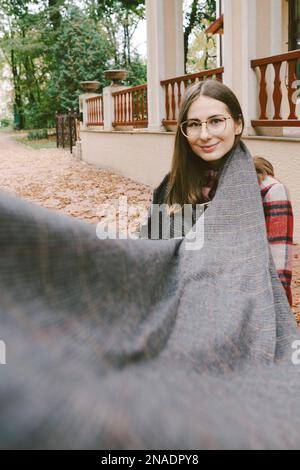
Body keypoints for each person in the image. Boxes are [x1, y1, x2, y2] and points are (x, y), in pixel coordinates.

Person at [142, 80, 294, 307]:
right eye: (193, 124)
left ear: (238, 124)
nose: (204, 134)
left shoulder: (269, 193)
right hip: (174, 317)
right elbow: (150, 259)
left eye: (215, 121)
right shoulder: (172, 187)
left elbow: (276, 288)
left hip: (241, 325)